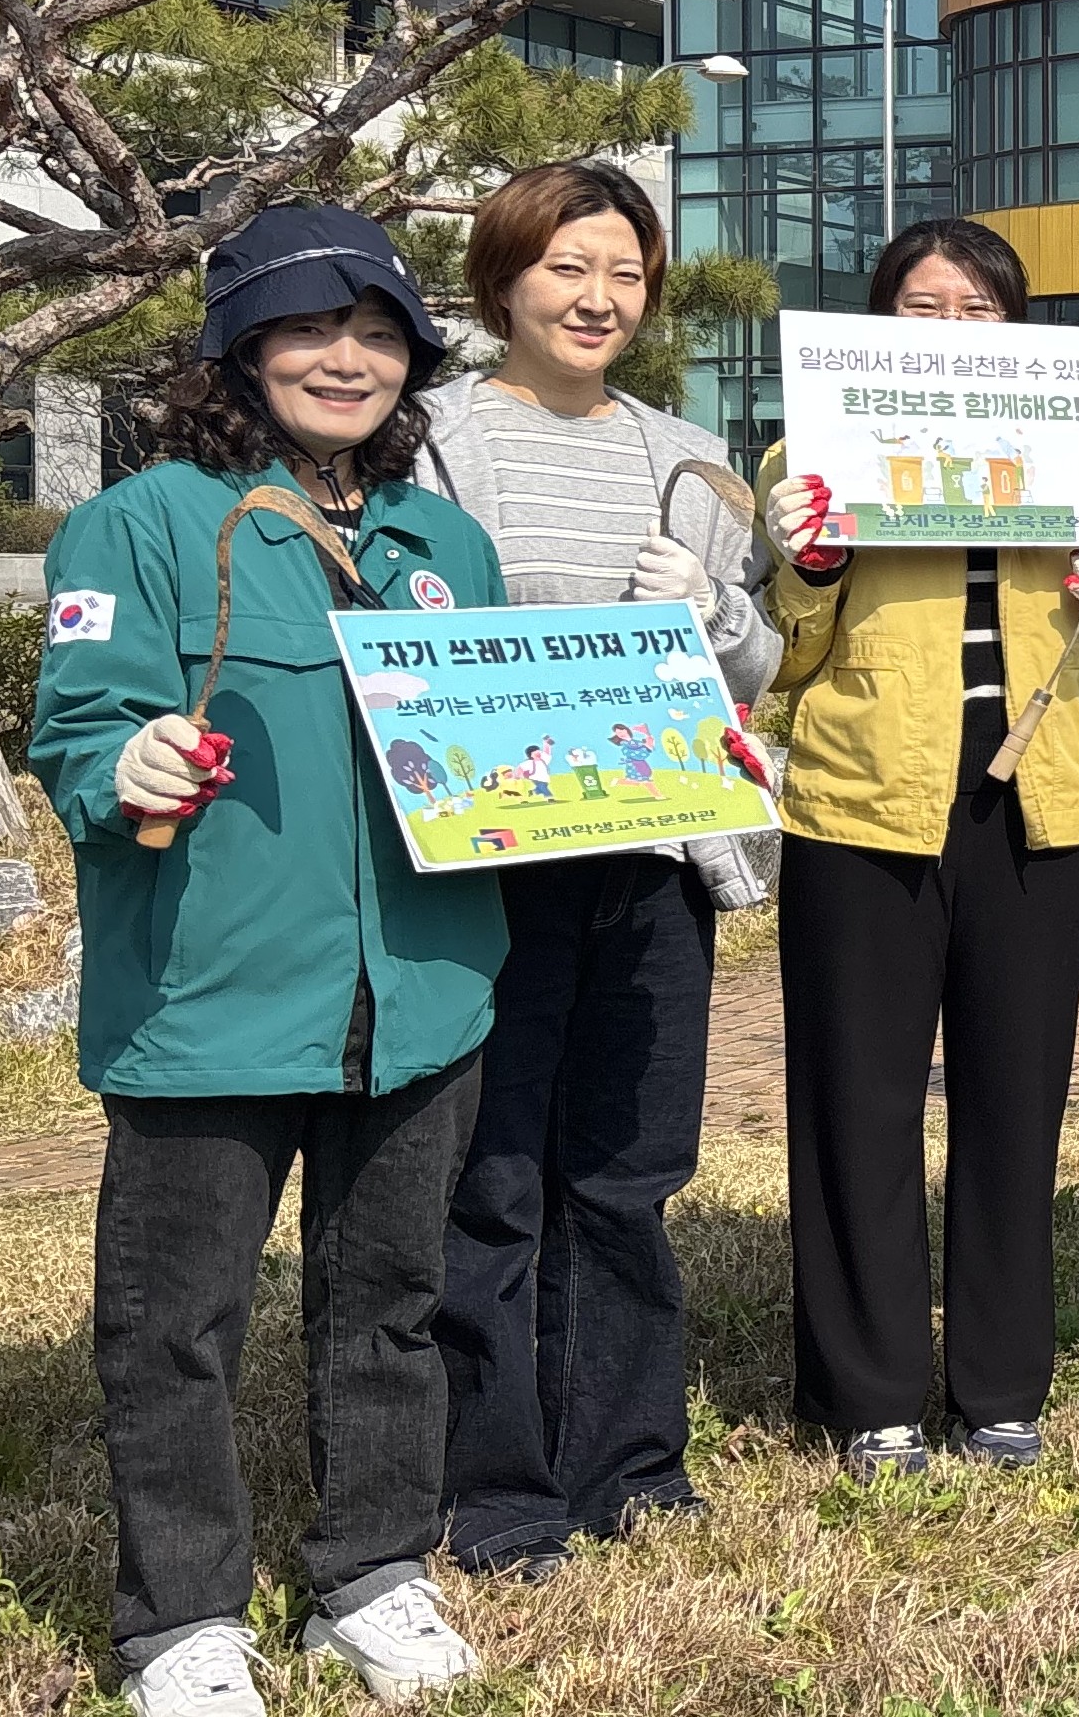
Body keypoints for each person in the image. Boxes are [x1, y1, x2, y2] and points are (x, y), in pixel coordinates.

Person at [33, 208, 510, 1714]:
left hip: (424, 994)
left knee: (389, 1300)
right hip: (212, 1001)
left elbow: (496, 745)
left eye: (377, 334)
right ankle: (181, 1619)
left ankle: (370, 1575)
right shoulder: (149, 522)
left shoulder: (447, 542)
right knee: (175, 1325)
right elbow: (78, 729)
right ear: (239, 349)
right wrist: (134, 762)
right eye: (310, 329)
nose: (347, 358)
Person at [417, 161, 778, 1580]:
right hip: (490, 864)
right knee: (492, 1171)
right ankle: (497, 1488)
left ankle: (631, 1460)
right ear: (504, 279)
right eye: (569, 266)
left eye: (625, 272)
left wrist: (716, 610)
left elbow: (754, 667)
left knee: (630, 1168)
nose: (599, 297)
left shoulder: (688, 455)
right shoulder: (430, 441)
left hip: (654, 859)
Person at [753, 220, 1079, 1475]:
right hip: (863, 805)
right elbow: (781, 663)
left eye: (977, 310)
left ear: (1014, 329)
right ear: (878, 324)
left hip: (1035, 806)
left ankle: (997, 1387)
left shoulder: (1071, 451)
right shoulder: (808, 455)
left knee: (1014, 1103)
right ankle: (868, 1393)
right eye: (923, 306)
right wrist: (808, 564)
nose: (950, 329)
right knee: (857, 1104)